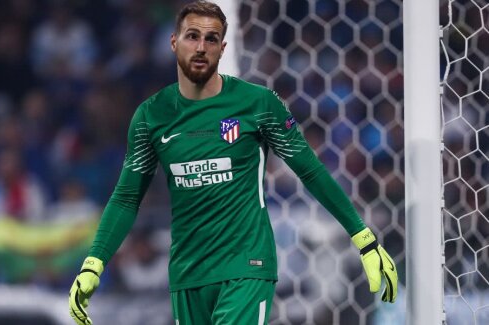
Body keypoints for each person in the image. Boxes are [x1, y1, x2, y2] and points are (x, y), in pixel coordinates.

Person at [68, 1, 398, 324]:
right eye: (192, 36)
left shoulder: (257, 104)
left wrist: (363, 238)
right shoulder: (151, 115)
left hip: (246, 266)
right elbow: (127, 196)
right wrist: (94, 263)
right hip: (188, 272)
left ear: (223, 48)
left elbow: (310, 170)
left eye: (211, 39)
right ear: (173, 43)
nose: (201, 47)